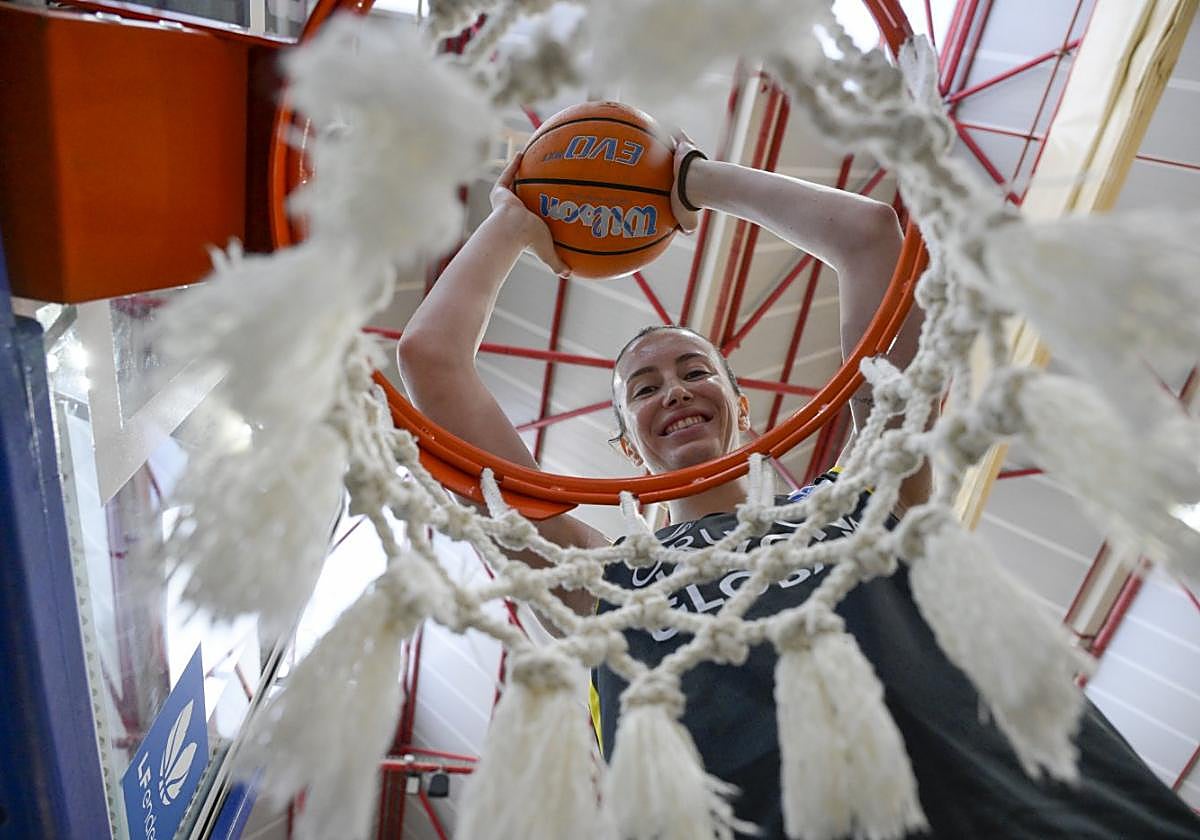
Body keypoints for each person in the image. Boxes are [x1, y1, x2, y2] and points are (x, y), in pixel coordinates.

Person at [397, 133, 1200, 838]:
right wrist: (515, 214)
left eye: (692, 371)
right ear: (628, 447)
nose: (672, 391)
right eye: (643, 391)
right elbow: (431, 359)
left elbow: (868, 236)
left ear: (741, 408)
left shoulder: (860, 500)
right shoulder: (600, 584)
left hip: (1035, 803)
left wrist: (691, 177)